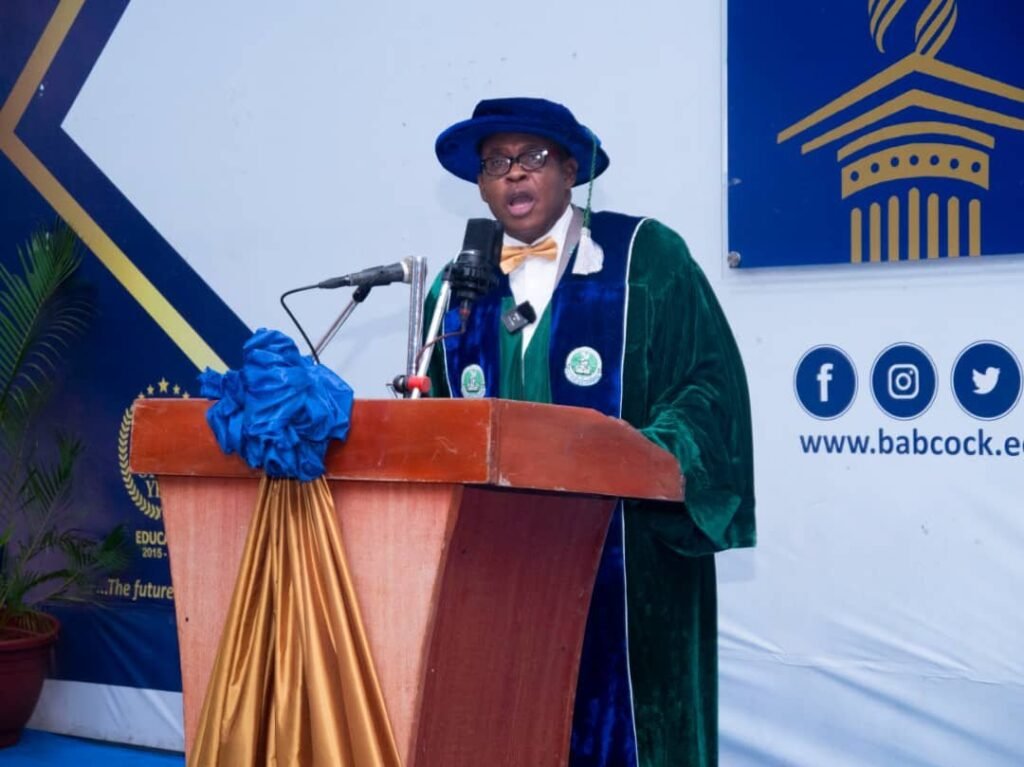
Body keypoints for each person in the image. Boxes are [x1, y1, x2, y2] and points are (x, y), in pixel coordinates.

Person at [426, 97, 756, 767]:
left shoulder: (645, 257)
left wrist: (642, 455)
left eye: (533, 156)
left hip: (626, 558)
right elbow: (432, 415)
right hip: (498, 566)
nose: (514, 174)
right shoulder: (457, 288)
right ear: (480, 185)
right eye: (495, 162)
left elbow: (708, 385)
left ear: (571, 169)